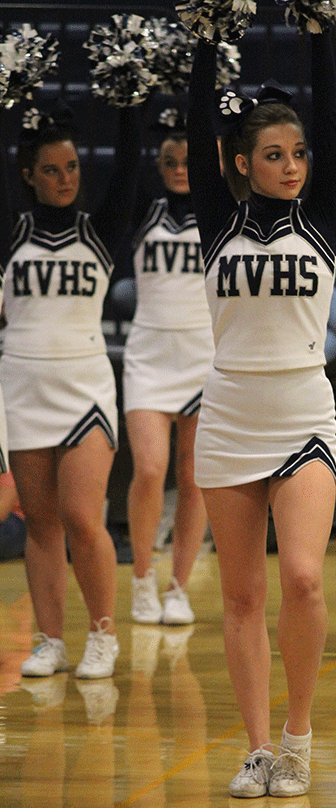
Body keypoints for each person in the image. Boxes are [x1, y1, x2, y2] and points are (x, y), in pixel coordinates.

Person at [186, 21, 336, 796]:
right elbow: (196, 117)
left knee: (306, 580)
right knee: (244, 594)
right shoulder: (217, 223)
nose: (291, 167)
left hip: (304, 416)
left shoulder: (322, 221)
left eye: (299, 154)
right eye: (274, 156)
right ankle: (257, 748)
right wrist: (210, 35)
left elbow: (332, 110)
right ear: (242, 164)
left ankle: (299, 734)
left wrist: (321, 25)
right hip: (228, 415)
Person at [0, 102, 141, 679]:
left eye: (73, 167)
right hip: (23, 387)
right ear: (29, 175)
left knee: (84, 517)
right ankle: (49, 639)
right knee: (40, 522)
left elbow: (130, 173)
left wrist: (133, 104)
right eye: (52, 169)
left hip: (83, 388)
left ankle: (102, 633)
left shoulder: (99, 232)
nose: (65, 178)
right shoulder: (13, 231)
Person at [119, 109, 212, 626]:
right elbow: (125, 166)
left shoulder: (218, 211)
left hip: (203, 355)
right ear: (158, 165)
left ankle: (179, 586)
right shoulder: (144, 209)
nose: (179, 168)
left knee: (194, 477)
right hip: (150, 356)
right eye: (169, 161)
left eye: (187, 159)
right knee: (150, 469)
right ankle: (140, 578)